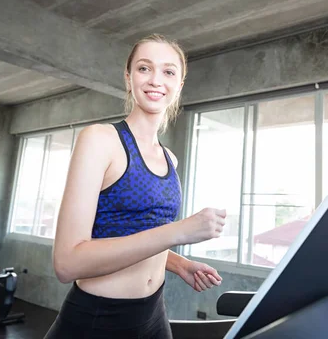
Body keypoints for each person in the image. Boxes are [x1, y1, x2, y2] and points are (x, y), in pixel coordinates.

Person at [44, 34, 227, 339]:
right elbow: (67, 262)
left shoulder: (170, 159)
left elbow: (126, 233)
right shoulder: (100, 140)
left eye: (169, 72)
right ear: (128, 78)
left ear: (179, 85)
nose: (156, 80)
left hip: (154, 315)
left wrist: (177, 262)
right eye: (145, 68)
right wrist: (180, 231)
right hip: (99, 322)